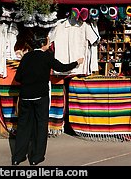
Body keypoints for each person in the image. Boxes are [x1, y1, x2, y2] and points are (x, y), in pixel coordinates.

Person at [12, 30, 84, 166]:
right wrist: (77, 62)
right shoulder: (47, 57)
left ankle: (18, 157)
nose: (50, 43)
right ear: (44, 43)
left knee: (23, 127)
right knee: (40, 126)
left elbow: (18, 78)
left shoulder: (26, 57)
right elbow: (62, 67)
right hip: (40, 97)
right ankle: (36, 158)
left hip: (26, 97)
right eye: (48, 41)